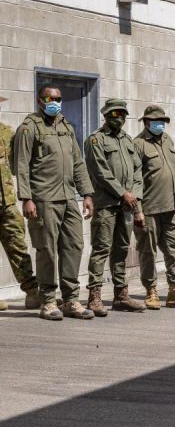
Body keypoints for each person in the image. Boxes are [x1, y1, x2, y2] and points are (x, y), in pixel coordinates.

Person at [13, 85, 95, 320]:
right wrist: (27, 198)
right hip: (43, 198)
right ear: (40, 100)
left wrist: (87, 193)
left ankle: (71, 300)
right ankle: (48, 301)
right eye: (50, 98)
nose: (55, 102)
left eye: (58, 99)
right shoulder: (29, 127)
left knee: (74, 246)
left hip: (69, 197)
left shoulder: (66, 126)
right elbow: (21, 165)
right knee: (47, 251)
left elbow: (78, 163)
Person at [134, 105, 175, 310]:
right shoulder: (138, 144)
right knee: (148, 252)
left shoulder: (168, 140)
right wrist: (138, 210)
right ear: (146, 122)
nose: (160, 124)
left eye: (162, 121)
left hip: (170, 207)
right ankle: (151, 291)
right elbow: (134, 179)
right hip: (149, 208)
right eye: (156, 121)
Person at [84, 99, 145, 316]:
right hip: (106, 204)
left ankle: (121, 295)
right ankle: (95, 296)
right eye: (114, 113)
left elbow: (138, 172)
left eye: (122, 113)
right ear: (106, 115)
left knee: (121, 249)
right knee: (101, 248)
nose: (118, 117)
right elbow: (100, 172)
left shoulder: (128, 140)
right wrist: (122, 193)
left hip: (127, 206)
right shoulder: (95, 139)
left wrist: (135, 200)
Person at [0, 95, 39, 312]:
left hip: (7, 202)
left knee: (18, 247)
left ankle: (33, 294)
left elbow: (19, 165)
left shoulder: (7, 132)